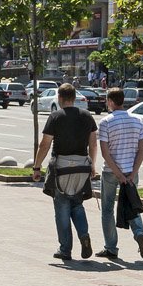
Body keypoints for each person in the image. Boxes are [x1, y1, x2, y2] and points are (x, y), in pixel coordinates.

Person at [32, 83, 98, 261]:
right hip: (82, 167)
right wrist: (92, 166)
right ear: (75, 98)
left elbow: (45, 144)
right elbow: (93, 143)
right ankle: (84, 235)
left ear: (60, 98)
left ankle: (65, 249)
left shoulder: (55, 117)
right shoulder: (87, 116)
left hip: (61, 167)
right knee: (77, 204)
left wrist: (37, 167)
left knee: (62, 208)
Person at [96, 87, 143, 260]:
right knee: (131, 205)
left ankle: (111, 248)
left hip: (112, 173)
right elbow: (142, 150)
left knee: (107, 210)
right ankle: (139, 233)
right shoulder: (138, 121)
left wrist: (118, 174)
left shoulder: (106, 122)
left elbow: (105, 153)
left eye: (107, 100)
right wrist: (132, 173)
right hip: (131, 172)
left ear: (111, 101)